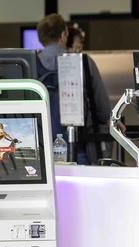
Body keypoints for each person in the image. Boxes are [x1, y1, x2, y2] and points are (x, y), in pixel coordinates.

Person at [37, 14, 112, 163]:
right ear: (64, 35)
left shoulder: (30, 65)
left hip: (42, 153)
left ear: (41, 39)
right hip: (79, 149)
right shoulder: (84, 62)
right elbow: (103, 112)